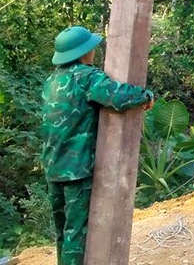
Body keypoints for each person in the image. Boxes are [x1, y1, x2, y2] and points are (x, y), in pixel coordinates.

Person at [41, 26, 155, 265]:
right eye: (91, 47)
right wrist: (146, 96)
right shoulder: (86, 76)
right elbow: (116, 96)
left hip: (52, 165)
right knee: (75, 233)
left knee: (62, 231)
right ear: (83, 52)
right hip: (77, 168)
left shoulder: (51, 81)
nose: (94, 51)